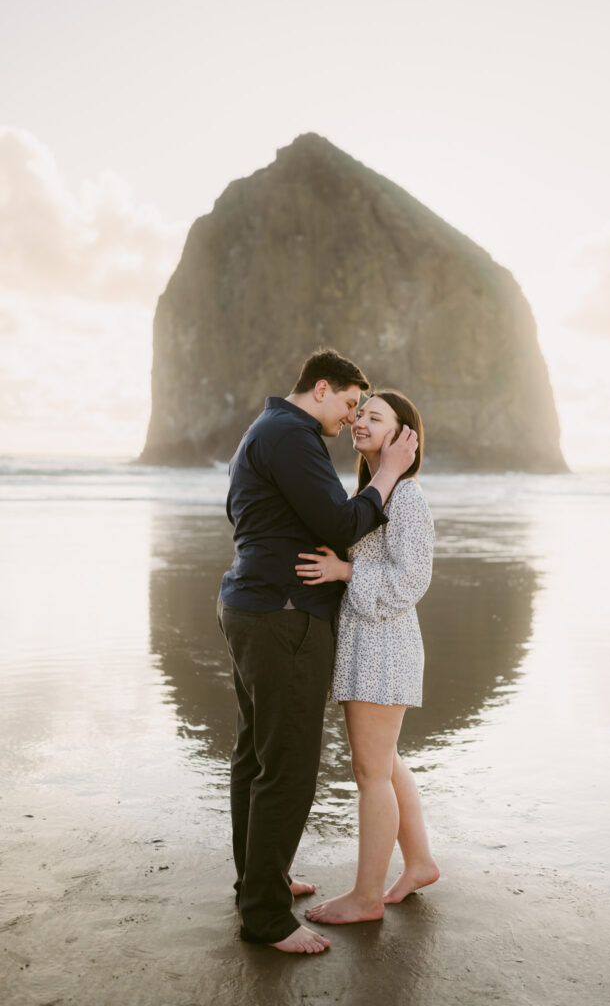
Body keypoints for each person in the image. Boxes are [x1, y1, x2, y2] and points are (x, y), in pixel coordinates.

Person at [217, 351, 418, 954]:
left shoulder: (265, 431)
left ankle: (261, 882)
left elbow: (247, 516)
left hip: (253, 606)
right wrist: (389, 472)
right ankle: (267, 918)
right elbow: (338, 522)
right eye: (352, 404)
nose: (351, 420)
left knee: (256, 756)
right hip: (282, 617)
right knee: (288, 767)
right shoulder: (291, 433)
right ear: (323, 389)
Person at [295, 391, 439, 925]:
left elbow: (412, 580)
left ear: (405, 436)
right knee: (384, 762)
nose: (359, 421)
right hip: (367, 644)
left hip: (385, 646)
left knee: (369, 771)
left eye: (375, 417)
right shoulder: (374, 494)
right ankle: (419, 862)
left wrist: (346, 572)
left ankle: (366, 897)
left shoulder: (407, 499)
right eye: (360, 414)